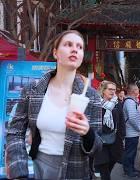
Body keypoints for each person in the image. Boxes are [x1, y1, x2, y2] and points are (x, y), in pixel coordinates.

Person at [5, 30, 102, 179]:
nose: (75, 49)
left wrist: (87, 133)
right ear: (55, 53)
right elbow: (15, 132)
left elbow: (98, 147)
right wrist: (18, 172)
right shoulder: (33, 89)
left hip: (76, 169)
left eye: (80, 47)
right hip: (40, 167)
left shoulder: (91, 95)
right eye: (68, 44)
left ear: (82, 56)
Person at [94, 81, 125, 180]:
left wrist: (122, 137)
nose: (112, 91)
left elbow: (121, 121)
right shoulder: (96, 103)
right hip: (100, 141)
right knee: (104, 165)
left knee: (111, 162)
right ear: (103, 90)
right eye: (110, 89)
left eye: (114, 90)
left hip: (114, 140)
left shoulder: (117, 104)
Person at [123, 83, 140, 178]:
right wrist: (138, 128)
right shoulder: (130, 102)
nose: (138, 91)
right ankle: (128, 170)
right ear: (133, 91)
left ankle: (131, 168)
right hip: (131, 133)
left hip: (132, 132)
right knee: (130, 152)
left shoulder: (131, 101)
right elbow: (132, 118)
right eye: (137, 89)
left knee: (132, 152)